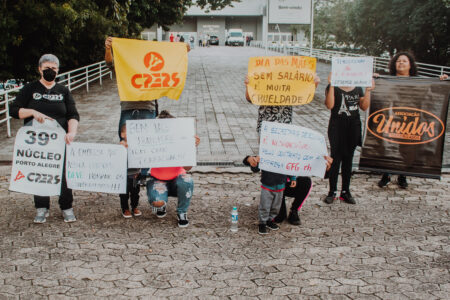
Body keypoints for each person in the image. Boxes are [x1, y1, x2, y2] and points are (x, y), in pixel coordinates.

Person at [9, 54, 79, 223]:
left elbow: (73, 114)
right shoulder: (30, 89)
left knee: (63, 174)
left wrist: (71, 132)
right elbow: (14, 110)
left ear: (58, 70)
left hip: (59, 141)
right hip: (36, 142)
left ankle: (66, 207)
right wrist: (32, 112)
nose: (50, 71)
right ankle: (42, 208)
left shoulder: (63, 91)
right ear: (40, 69)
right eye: (47, 68)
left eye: (54, 68)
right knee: (40, 172)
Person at [244, 74, 322, 225]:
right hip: (267, 131)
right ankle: (272, 197)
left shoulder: (289, 87)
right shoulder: (265, 84)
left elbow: (303, 95)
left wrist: (314, 85)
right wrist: (248, 85)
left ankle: (295, 209)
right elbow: (250, 98)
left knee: (305, 181)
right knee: (278, 217)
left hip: (286, 131)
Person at [377, 52, 448, 189]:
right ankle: (386, 174)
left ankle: (402, 174)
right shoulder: (388, 79)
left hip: (411, 120)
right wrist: (375, 79)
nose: (401, 63)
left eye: (404, 61)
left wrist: (441, 80)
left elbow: (433, 87)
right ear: (394, 64)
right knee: (388, 146)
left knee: (407, 147)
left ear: (410, 65)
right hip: (391, 117)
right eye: (398, 61)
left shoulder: (418, 80)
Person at [323, 73, 375, 204]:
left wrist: (368, 90)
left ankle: (345, 191)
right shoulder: (332, 87)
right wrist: (332, 84)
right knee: (335, 158)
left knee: (348, 158)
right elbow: (329, 105)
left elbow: (364, 107)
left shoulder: (357, 87)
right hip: (336, 125)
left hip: (353, 125)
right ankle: (332, 191)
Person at [146, 110, 200, 228]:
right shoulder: (152, 143)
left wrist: (190, 147)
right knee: (158, 202)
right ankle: (161, 202)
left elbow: (188, 167)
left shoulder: (179, 141)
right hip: (157, 180)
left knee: (187, 180)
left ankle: (182, 212)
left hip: (177, 180)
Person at [243, 156, 296, 235]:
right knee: (264, 205)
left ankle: (269, 220)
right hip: (267, 186)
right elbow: (255, 168)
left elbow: (289, 166)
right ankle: (262, 223)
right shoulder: (265, 152)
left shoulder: (285, 154)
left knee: (276, 206)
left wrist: (293, 178)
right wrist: (253, 163)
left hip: (281, 186)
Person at [118, 123, 142, 218]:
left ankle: (134, 207)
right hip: (123, 175)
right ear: (122, 135)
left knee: (135, 192)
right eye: (128, 133)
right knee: (124, 193)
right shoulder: (120, 146)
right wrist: (121, 148)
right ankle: (125, 209)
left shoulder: (138, 145)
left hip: (135, 173)